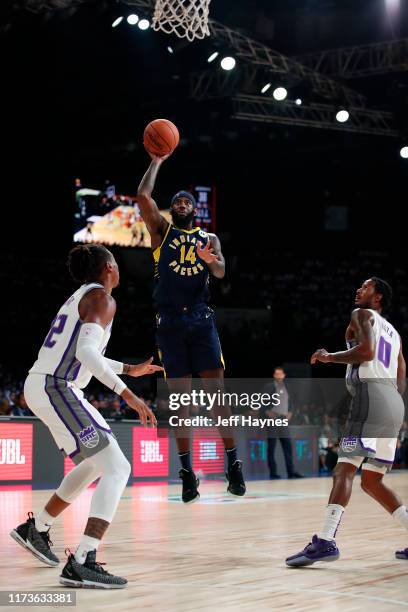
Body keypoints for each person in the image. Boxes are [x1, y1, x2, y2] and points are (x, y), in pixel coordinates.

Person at [10, 244, 160, 588]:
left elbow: (84, 353)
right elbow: (87, 353)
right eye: (117, 264)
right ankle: (83, 559)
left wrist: (128, 369)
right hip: (56, 386)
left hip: (50, 385)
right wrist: (129, 395)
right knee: (118, 468)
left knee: (94, 464)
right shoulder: (102, 299)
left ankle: (38, 528)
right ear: (109, 267)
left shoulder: (82, 296)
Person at [137, 151, 246, 503]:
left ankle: (233, 465)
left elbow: (221, 272)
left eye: (187, 200)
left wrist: (210, 261)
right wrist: (156, 160)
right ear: (172, 211)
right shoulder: (161, 231)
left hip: (200, 320)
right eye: (176, 201)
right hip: (169, 323)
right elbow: (143, 197)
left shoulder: (209, 238)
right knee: (179, 403)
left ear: (195, 209)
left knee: (217, 397)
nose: (182, 202)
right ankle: (187, 474)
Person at [286, 278, 408, 567]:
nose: (358, 290)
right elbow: (401, 372)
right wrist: (391, 402)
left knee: (344, 468)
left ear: (377, 297)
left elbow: (365, 352)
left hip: (371, 400)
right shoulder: (395, 334)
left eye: (365, 287)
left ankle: (326, 541)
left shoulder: (362, 315)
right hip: (393, 404)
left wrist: (329, 357)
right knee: (373, 480)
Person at [263, 367, 303, 479]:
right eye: (277, 374)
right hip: (272, 420)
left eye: (281, 374)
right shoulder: (269, 387)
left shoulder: (288, 387)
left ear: (284, 375)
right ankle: (273, 473)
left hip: (283, 420)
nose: (279, 376)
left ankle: (291, 471)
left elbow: (292, 402)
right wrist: (267, 411)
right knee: (272, 447)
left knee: (288, 446)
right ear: (274, 375)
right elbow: (261, 402)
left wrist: (290, 412)